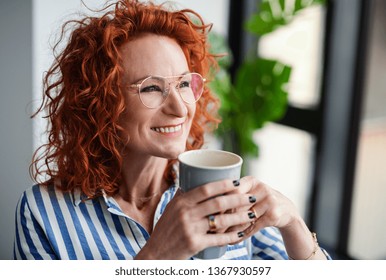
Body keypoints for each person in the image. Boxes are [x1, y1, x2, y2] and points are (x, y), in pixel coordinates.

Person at [14, 0, 331, 260]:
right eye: (151, 88)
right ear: (100, 102)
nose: (181, 109)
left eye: (183, 83)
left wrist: (293, 224)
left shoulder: (224, 195)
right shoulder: (44, 213)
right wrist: (158, 257)